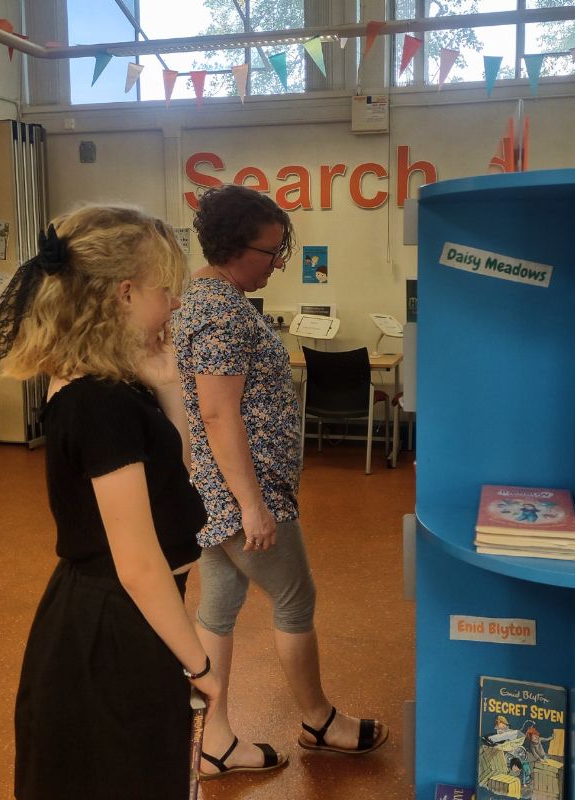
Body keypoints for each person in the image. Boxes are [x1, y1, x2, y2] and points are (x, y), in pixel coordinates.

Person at [0, 205, 220, 800]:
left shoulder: (116, 388)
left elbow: (179, 481)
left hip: (129, 619)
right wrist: (201, 664)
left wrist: (167, 383)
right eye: (166, 291)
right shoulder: (99, 403)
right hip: (113, 630)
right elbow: (138, 564)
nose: (173, 306)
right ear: (124, 293)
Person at [172, 184, 388, 779]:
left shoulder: (203, 295)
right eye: (271, 253)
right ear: (236, 250)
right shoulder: (220, 311)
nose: (278, 263)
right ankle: (320, 721)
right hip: (245, 492)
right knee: (295, 599)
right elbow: (217, 412)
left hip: (219, 491)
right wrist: (252, 506)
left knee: (218, 608)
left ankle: (213, 738)